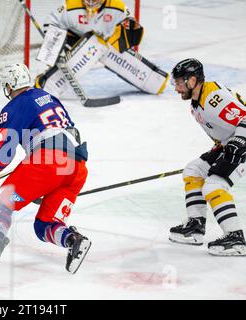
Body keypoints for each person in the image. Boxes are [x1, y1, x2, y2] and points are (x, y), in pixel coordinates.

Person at [0, 63, 91, 274]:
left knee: (5, 200)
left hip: (48, 162)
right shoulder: (49, 97)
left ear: (9, 85)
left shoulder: (15, 105)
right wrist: (42, 184)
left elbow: (5, 153)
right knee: (44, 225)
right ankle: (73, 240)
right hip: (76, 168)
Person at [169, 58, 246, 256]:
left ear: (192, 80)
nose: (176, 88)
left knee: (214, 185)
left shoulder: (214, 97)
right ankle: (196, 226)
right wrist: (221, 147)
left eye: (178, 83)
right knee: (194, 170)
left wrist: (239, 142)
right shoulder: (196, 104)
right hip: (231, 143)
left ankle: (236, 237)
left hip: (242, 145)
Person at [34, 0, 167, 97]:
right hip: (74, 39)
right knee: (91, 46)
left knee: (100, 46)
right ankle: (46, 84)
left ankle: (155, 81)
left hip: (105, 40)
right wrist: (55, 46)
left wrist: (125, 32)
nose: (91, 2)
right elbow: (52, 22)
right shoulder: (71, 6)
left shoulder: (118, 7)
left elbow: (131, 31)